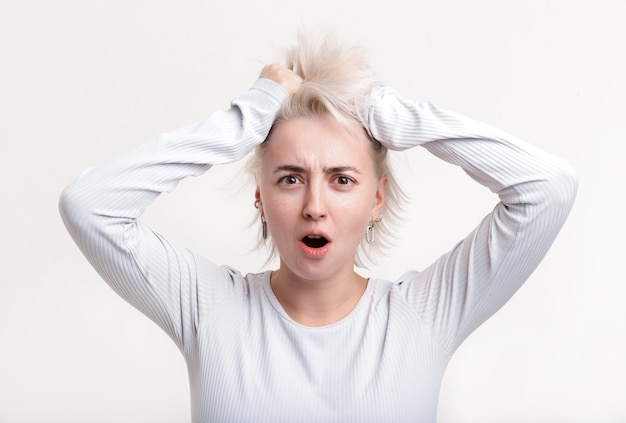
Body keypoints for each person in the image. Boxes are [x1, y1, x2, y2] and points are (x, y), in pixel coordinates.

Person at [59, 33, 578, 422]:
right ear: (260, 198)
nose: (314, 205)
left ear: (377, 198)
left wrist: (386, 112)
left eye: (342, 179)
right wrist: (247, 118)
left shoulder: (425, 314)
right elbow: (89, 204)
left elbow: (547, 187)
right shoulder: (207, 307)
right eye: (290, 178)